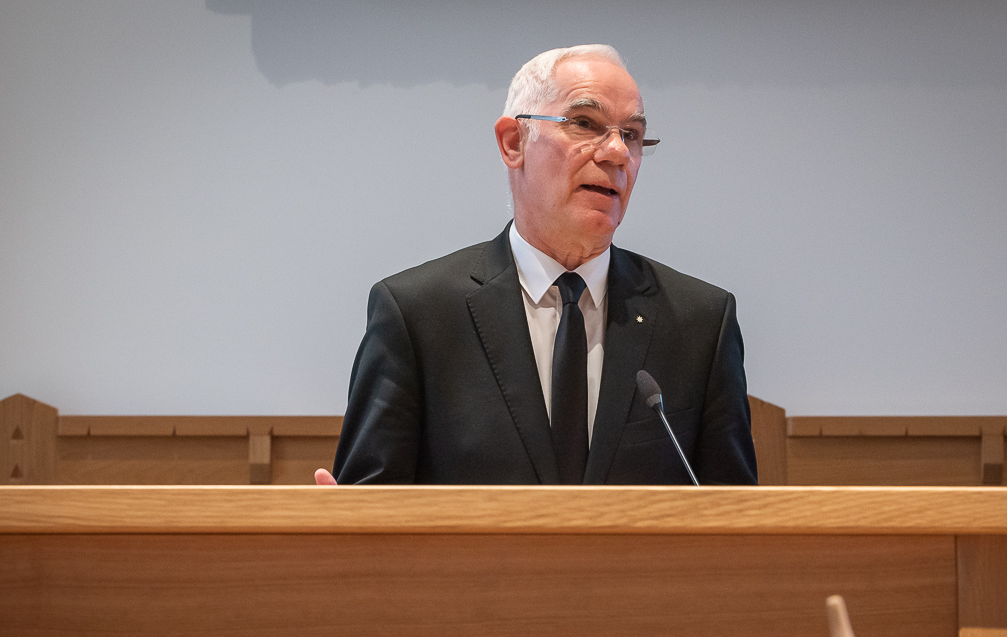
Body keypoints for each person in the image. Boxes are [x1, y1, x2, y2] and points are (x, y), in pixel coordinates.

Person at [319, 44, 756, 485]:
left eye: (632, 135)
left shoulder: (700, 322)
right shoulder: (418, 315)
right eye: (584, 123)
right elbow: (370, 507)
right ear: (514, 143)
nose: (617, 152)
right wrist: (340, 523)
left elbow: (739, 515)